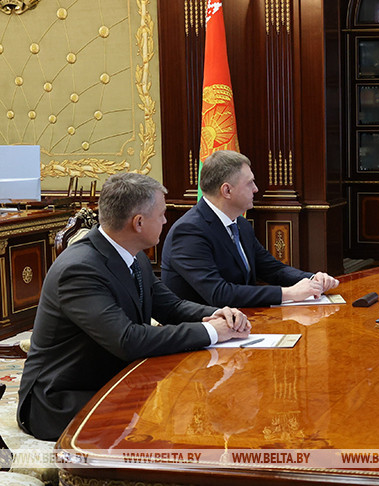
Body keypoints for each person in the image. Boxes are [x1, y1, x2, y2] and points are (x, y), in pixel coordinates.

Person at [17, 173, 251, 441]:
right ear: (138, 222)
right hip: (62, 399)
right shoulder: (79, 270)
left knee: (182, 405)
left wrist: (215, 314)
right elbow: (127, 339)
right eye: (161, 214)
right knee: (165, 433)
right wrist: (212, 332)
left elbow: (171, 306)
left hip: (114, 380)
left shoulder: (133, 255)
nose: (165, 221)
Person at [161, 151, 339, 307]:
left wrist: (311, 280)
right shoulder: (189, 232)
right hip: (202, 327)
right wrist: (288, 293)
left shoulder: (241, 224)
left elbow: (271, 269)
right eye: (250, 183)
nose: (256, 189)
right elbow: (219, 294)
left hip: (240, 320)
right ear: (227, 191)